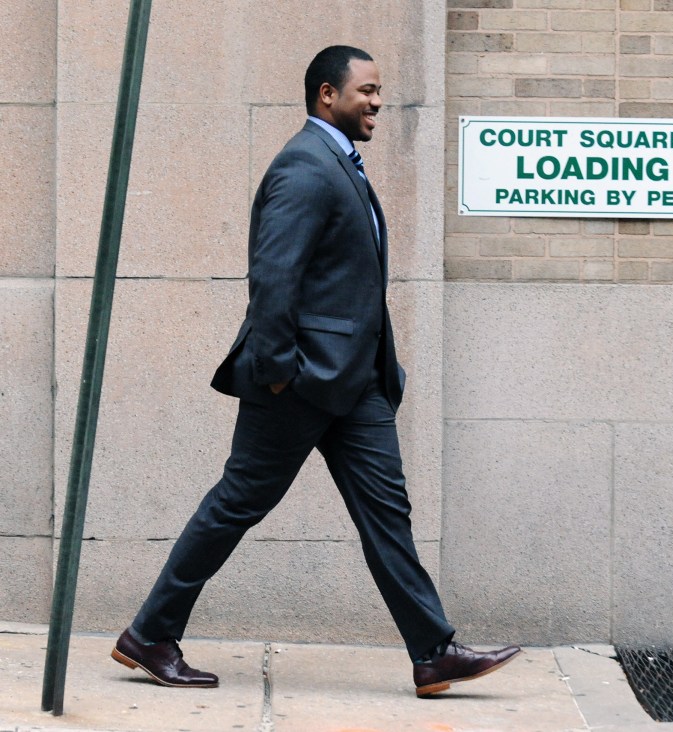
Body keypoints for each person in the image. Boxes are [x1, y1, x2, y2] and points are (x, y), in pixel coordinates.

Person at [110, 45, 520, 697]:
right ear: (327, 95)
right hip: (299, 381)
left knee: (388, 513)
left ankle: (432, 652)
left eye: (379, 91)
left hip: (354, 385)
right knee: (237, 505)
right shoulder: (305, 166)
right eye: (367, 90)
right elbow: (274, 275)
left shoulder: (340, 165)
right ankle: (151, 634)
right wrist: (277, 373)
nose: (377, 102)